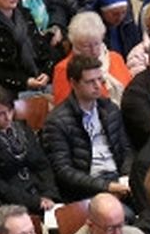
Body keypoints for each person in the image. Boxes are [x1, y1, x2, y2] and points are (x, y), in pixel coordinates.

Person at [43, 53, 133, 203]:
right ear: (73, 83)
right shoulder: (57, 121)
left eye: (100, 79)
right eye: (90, 81)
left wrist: (126, 178)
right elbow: (64, 172)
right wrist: (107, 186)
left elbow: (127, 148)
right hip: (88, 186)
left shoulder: (110, 108)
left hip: (118, 178)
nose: (98, 86)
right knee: (123, 214)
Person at [0, 86, 58, 215]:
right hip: (12, 204)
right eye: (0, 114)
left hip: (41, 193)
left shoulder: (23, 129)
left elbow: (43, 165)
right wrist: (35, 202)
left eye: (10, 111)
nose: (8, 117)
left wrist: (49, 194)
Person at [51, 11, 132, 106]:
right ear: (75, 44)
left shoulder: (115, 58)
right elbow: (63, 108)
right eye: (86, 46)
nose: (94, 51)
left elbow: (131, 92)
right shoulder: (65, 68)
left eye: (97, 44)